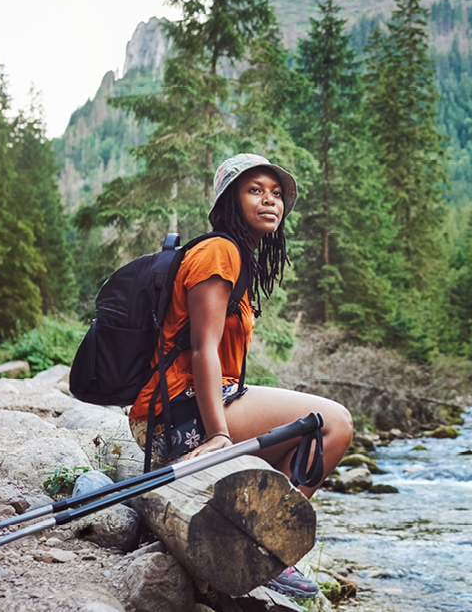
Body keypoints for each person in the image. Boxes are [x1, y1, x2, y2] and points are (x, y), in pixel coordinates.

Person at [126, 153, 353, 599]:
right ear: (230, 200)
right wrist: (218, 436)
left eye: (276, 193)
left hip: (184, 409)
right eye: (255, 190)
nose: (270, 200)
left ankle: (255, 545)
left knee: (313, 427)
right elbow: (202, 348)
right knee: (336, 424)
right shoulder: (220, 250)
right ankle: (270, 549)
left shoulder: (236, 256)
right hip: (179, 416)